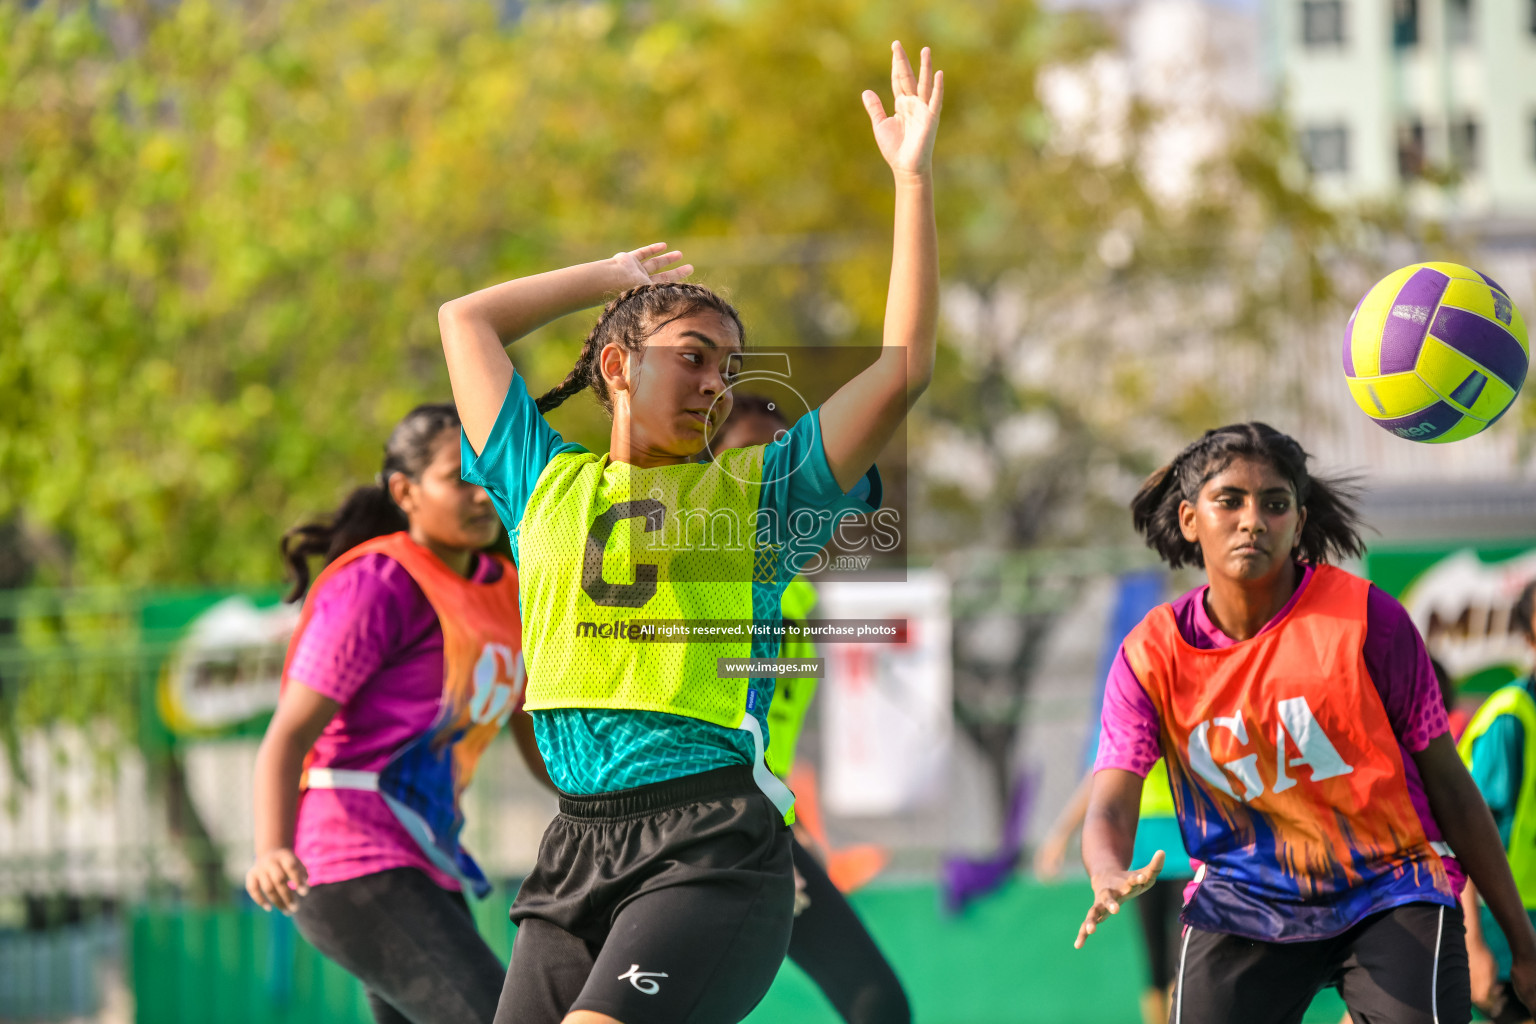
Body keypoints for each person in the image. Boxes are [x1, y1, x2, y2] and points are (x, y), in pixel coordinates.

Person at [438, 38, 941, 1024]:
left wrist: (911, 182)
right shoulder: (542, 483)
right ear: (619, 367)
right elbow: (465, 321)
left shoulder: (760, 494)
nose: (718, 382)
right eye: (694, 356)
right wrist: (612, 277)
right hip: (576, 846)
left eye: (729, 366)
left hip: (709, 846)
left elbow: (903, 367)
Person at [1074, 421, 1536, 1024]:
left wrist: (1521, 942)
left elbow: (1452, 786)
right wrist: (1106, 869)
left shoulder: (1370, 622)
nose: (1252, 520)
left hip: (1390, 890)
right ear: (1190, 519)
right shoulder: (1151, 655)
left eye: (1274, 503)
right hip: (1241, 900)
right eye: (1229, 501)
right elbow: (1110, 801)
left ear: (1298, 519)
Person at [246, 404, 550, 1024]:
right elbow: (289, 735)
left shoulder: (507, 590)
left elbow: (542, 746)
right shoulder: (379, 582)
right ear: (405, 491)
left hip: (424, 862)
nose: (480, 495)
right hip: (350, 863)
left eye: (486, 476)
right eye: (457, 478)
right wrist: (271, 848)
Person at [711, 395, 911, 1024]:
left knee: (877, 1004)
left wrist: (785, 828)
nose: (772, 473)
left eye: (785, 457)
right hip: (700, 821)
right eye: (751, 456)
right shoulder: (696, 575)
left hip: (759, 820)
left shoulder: (793, 591)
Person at [1036, 758, 1193, 1024]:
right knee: (1155, 961)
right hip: (1145, 848)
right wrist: (1061, 836)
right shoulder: (1125, 719)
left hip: (1188, 843)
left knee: (1182, 959)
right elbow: (1101, 780)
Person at [1459, 579, 1536, 1024]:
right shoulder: (1510, 717)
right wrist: (1474, 947)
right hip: (1503, 928)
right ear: (1528, 639)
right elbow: (1465, 833)